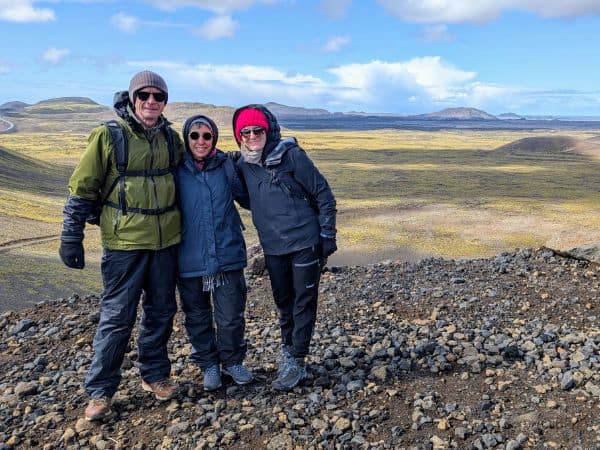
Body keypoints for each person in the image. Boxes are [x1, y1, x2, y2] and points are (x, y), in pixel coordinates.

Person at [59, 70, 184, 420]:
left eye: (158, 96)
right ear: (131, 99)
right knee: (117, 317)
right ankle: (100, 391)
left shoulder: (171, 139)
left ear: (164, 101)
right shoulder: (109, 136)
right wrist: (71, 235)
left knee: (161, 311)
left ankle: (155, 374)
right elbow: (82, 188)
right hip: (124, 244)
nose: (150, 102)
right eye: (143, 95)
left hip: (165, 243)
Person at [232, 104, 337, 390]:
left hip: (305, 242)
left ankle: (296, 360)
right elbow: (247, 198)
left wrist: (327, 235)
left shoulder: (291, 156)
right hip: (273, 246)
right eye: (246, 131)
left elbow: (323, 193)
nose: (252, 135)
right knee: (283, 302)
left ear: (269, 130)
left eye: (258, 130)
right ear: (238, 135)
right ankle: (288, 349)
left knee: (303, 302)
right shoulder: (242, 164)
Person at [176, 114, 253, 391]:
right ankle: (209, 364)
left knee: (231, 314)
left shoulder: (227, 166)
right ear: (186, 138)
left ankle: (232, 361)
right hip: (189, 256)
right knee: (196, 316)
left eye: (207, 136)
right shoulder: (176, 169)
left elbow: (249, 197)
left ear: (214, 139)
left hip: (227, 253)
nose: (200, 141)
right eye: (194, 135)